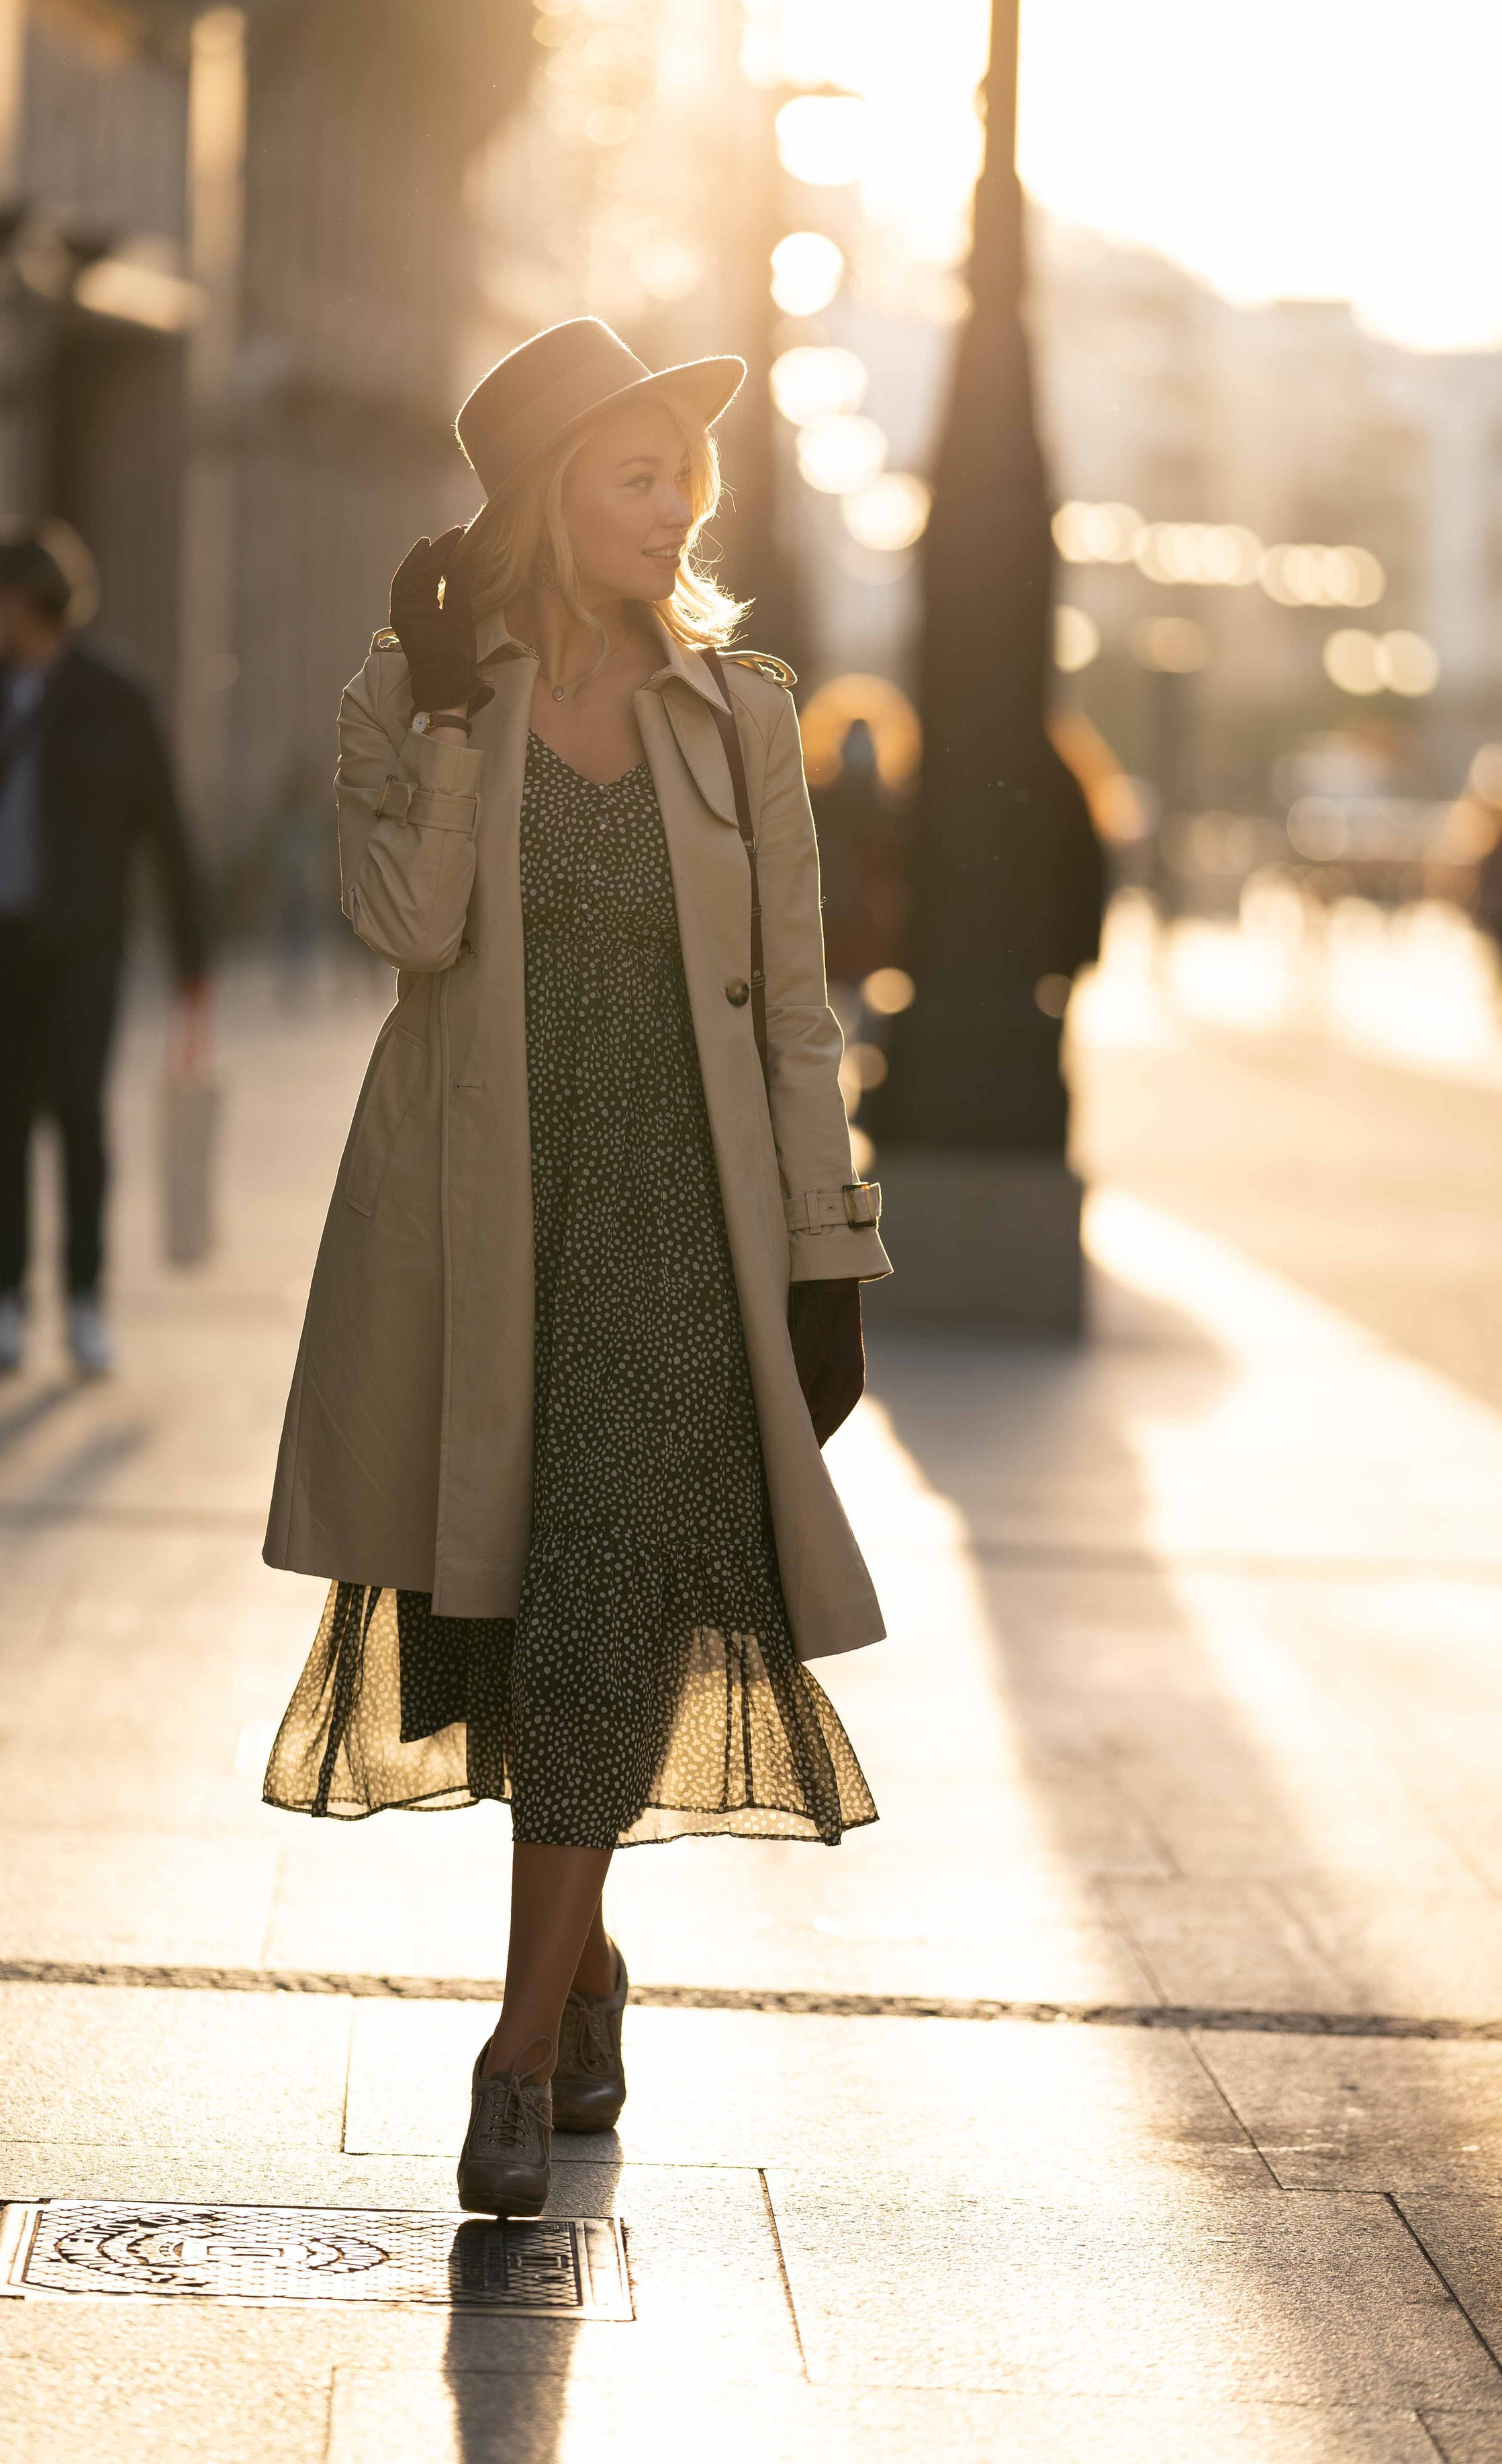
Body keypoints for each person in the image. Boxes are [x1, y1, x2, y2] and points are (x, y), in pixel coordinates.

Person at [261, 319, 890, 2218]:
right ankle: (588, 1962)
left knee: (609, 1601)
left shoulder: (742, 711)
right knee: (516, 1630)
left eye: (683, 473)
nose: (675, 502)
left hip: (679, 1237)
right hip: (483, 1227)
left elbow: (798, 1007)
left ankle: (518, 2053)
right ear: (547, 495)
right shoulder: (410, 687)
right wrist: (456, 720)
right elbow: (407, 923)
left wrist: (826, 1252)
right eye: (635, 472)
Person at [0, 535, 209, 1376]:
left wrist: (194, 960)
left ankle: (85, 1299)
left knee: (78, 1113)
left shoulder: (114, 693)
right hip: (5, 943)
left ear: (27, 599)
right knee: (4, 1122)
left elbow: (166, 822)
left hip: (84, 944)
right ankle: (8, 1298)